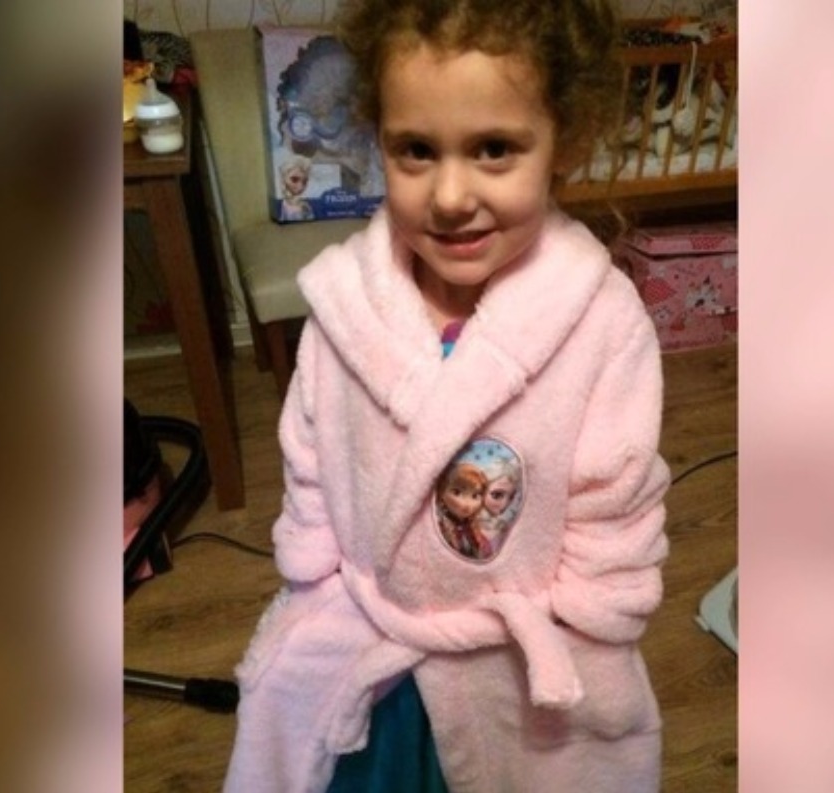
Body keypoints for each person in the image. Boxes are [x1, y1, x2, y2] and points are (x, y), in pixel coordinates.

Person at [224, 1, 671, 791]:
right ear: (379, 141)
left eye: (494, 149)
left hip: (511, 664)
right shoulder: (346, 306)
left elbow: (615, 500)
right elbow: (311, 452)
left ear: (565, 141)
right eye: (417, 151)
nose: (451, 195)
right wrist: (311, 570)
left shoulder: (601, 322)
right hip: (374, 645)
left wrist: (592, 619)